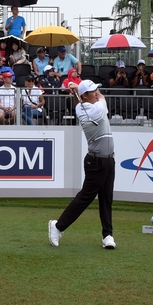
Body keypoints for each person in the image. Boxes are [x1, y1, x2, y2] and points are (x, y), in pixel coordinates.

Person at [49, 80, 116, 249]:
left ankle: (107, 235)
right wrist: (77, 89)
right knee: (85, 198)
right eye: (92, 91)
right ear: (85, 95)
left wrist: (76, 90)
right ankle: (57, 227)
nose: (96, 92)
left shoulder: (81, 106)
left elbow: (84, 100)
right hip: (96, 161)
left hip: (108, 160)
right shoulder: (95, 109)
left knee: (106, 198)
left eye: (96, 90)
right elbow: (101, 98)